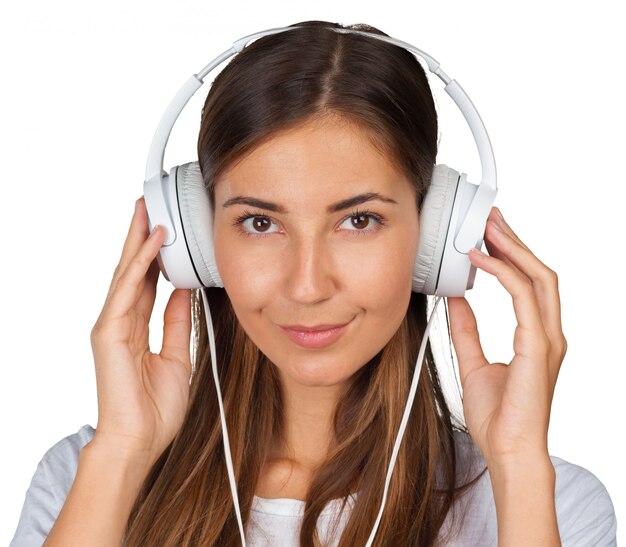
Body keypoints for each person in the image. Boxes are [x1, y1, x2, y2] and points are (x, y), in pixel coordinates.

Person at [10, 20, 617, 547]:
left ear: (437, 235)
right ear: (196, 238)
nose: (306, 286)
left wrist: (517, 468)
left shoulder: (549, 504)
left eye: (359, 220)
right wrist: (122, 451)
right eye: (260, 222)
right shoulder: (85, 478)